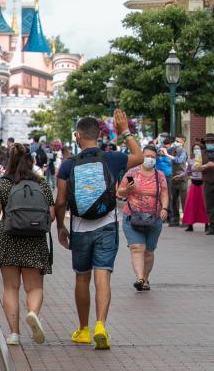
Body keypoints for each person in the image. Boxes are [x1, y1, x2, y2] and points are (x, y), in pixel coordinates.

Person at [54, 110, 143, 350]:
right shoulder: (112, 158)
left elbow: (60, 201)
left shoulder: (67, 164)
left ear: (78, 135)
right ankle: (101, 325)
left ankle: (83, 330)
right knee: (102, 275)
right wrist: (124, 130)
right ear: (99, 134)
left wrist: (61, 226)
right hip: (106, 225)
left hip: (80, 228)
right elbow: (139, 156)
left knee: (82, 278)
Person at [0, 144, 55, 347]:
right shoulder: (42, 184)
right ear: (32, 161)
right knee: (34, 287)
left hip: (8, 239)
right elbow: (51, 215)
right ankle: (33, 313)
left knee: (10, 287)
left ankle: (14, 333)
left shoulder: (4, 184)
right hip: (34, 242)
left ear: (10, 161)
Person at [119, 145, 169, 291]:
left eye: (153, 157)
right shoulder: (132, 173)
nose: (150, 159)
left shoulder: (159, 175)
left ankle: (146, 279)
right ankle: (140, 278)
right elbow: (120, 192)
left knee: (149, 251)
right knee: (137, 248)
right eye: (147, 156)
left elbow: (164, 194)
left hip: (154, 218)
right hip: (132, 217)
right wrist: (127, 189)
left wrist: (165, 208)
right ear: (142, 156)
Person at [180, 145, 208, 232]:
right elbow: (187, 172)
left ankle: (208, 224)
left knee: (205, 205)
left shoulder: (205, 160)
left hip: (203, 184)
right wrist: (180, 175)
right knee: (190, 205)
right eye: (195, 149)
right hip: (194, 184)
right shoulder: (190, 161)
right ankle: (190, 225)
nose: (196, 150)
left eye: (198, 148)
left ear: (202, 150)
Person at [165, 135, 188, 226]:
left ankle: (186, 220)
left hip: (182, 178)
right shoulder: (172, 150)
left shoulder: (183, 151)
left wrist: (167, 155)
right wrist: (162, 151)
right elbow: (162, 151)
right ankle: (175, 219)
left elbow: (179, 160)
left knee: (184, 200)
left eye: (178, 141)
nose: (176, 142)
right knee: (174, 200)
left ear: (182, 142)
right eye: (175, 140)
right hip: (173, 177)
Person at [155, 137, 175, 223]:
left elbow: (176, 160)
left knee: (168, 195)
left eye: (166, 146)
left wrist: (166, 154)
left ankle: (170, 216)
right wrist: (157, 153)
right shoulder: (159, 151)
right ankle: (161, 215)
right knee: (158, 194)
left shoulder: (173, 151)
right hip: (158, 175)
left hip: (168, 175)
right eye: (164, 146)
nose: (164, 148)